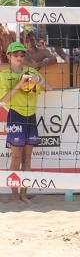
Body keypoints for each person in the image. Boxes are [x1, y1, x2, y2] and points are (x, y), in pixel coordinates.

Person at [0, 41, 48, 205]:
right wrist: (20, 83)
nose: (20, 57)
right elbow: (3, 100)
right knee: (16, 157)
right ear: (9, 56)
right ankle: (14, 195)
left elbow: (50, 88)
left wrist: (40, 81)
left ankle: (23, 194)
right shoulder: (4, 75)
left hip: (31, 116)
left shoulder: (31, 71)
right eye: (16, 54)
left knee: (27, 159)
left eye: (22, 54)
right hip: (16, 116)